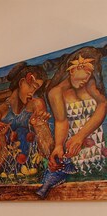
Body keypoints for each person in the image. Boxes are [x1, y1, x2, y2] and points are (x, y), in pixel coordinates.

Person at [36, 46, 107, 198]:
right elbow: (61, 121)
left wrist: (80, 136)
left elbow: (103, 105)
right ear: (72, 69)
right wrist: (59, 146)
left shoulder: (90, 84)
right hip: (73, 150)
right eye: (86, 73)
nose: (87, 78)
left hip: (93, 143)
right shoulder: (56, 93)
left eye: (90, 74)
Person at [0, 62, 53, 176]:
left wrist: (39, 127)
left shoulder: (36, 105)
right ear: (22, 82)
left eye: (37, 91)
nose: (33, 94)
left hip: (35, 170)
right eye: (33, 87)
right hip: (9, 175)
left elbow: (48, 152)